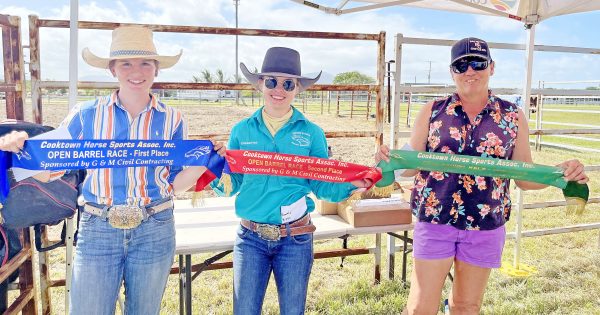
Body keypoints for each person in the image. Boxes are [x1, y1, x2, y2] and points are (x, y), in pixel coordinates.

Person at [0, 26, 224, 315]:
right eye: (126, 63)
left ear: (156, 69)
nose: (137, 71)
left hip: (154, 225)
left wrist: (204, 161)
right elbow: (49, 170)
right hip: (99, 228)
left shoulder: (173, 119)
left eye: (146, 63)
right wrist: (20, 149)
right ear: (112, 70)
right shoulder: (86, 115)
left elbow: (174, 183)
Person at [376, 37, 588, 315]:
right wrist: (389, 161)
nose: (470, 71)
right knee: (419, 307)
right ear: (452, 71)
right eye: (461, 65)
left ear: (492, 67)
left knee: (466, 306)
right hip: (435, 218)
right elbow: (410, 166)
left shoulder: (513, 116)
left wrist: (560, 173)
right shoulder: (433, 110)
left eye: (478, 63)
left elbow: (524, 176)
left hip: (486, 224)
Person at [211, 47, 372, 315]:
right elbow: (233, 184)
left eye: (288, 83)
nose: (279, 90)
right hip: (250, 238)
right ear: (261, 84)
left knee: (293, 311)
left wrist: (352, 185)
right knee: (245, 310)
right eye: (272, 81)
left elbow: (321, 184)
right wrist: (214, 169)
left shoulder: (312, 133)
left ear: (298, 88)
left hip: (294, 238)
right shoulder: (241, 130)